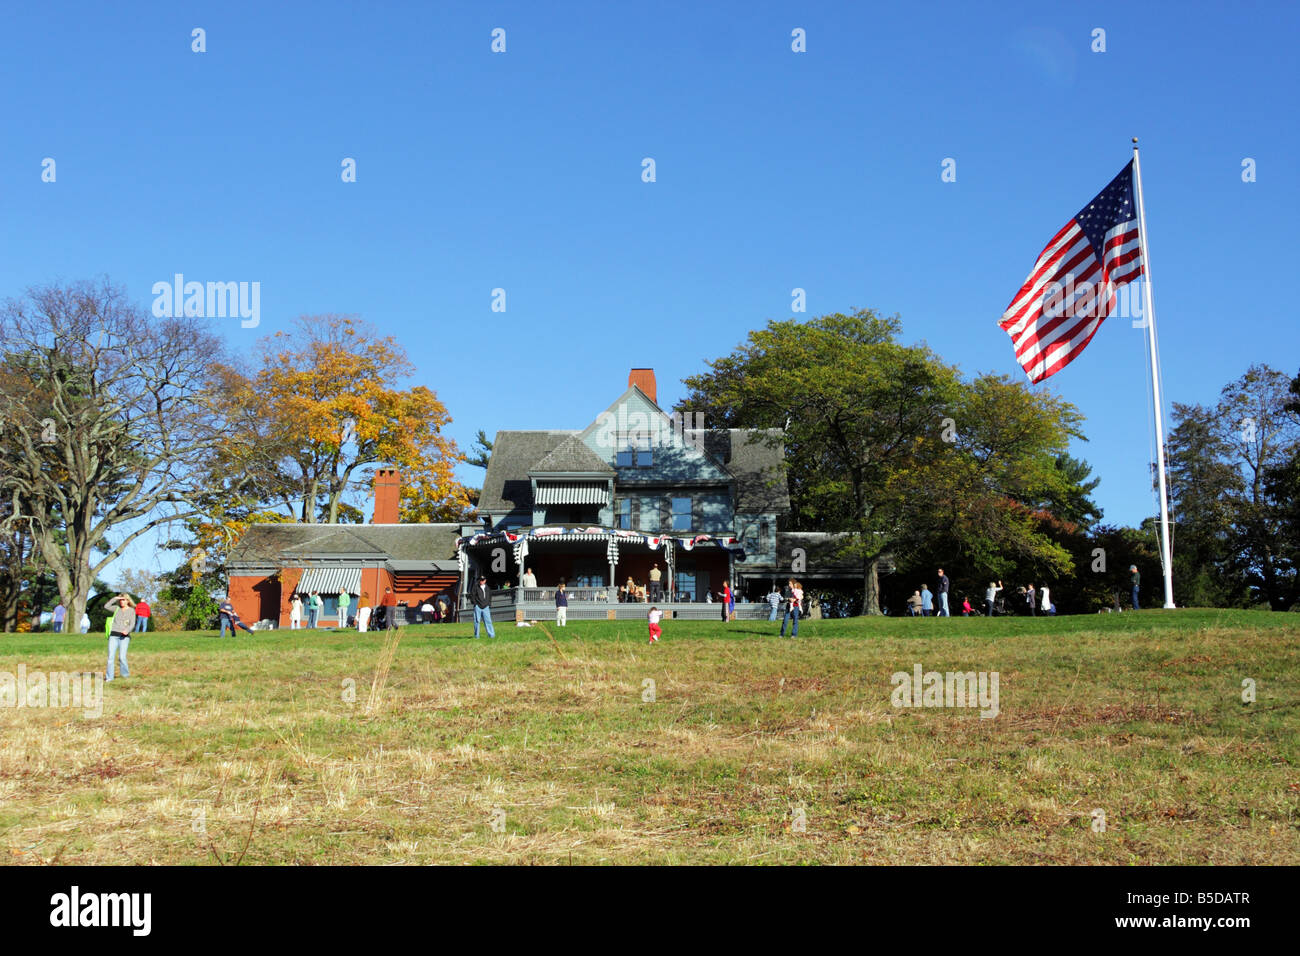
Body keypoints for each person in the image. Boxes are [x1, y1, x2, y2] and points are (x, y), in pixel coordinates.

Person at [104, 594, 136, 681]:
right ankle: (109, 677)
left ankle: (125, 676)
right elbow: (106, 606)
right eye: (121, 600)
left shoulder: (131, 611)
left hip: (124, 637)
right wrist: (114, 598)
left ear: (128, 601)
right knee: (110, 657)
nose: (122, 601)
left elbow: (132, 623)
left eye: (124, 600)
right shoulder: (116, 609)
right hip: (113, 635)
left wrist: (127, 630)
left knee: (122, 657)